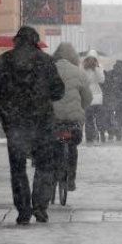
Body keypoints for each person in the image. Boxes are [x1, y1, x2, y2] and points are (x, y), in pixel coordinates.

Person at [0, 26, 64, 224]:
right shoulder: (46, 61)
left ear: (16, 40)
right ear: (35, 41)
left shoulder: (2, 61)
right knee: (45, 165)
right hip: (42, 121)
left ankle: (23, 210)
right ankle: (40, 207)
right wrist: (42, 97)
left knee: (18, 168)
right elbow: (58, 91)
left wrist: (6, 108)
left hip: (14, 123)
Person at [52, 43, 92, 192]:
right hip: (72, 120)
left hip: (53, 118)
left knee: (51, 145)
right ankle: (71, 180)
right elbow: (87, 97)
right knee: (72, 146)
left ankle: (51, 175)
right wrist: (81, 109)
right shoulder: (79, 73)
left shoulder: (47, 70)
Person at [81, 50, 106, 143]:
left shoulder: (99, 68)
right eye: (89, 59)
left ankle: (100, 133)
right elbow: (82, 80)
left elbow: (102, 80)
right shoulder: (83, 68)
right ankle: (89, 136)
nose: (91, 61)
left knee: (99, 118)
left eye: (93, 59)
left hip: (97, 97)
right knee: (88, 118)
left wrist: (96, 69)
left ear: (95, 60)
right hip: (87, 96)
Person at [103, 60, 122, 141]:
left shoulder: (109, 74)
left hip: (110, 99)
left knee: (109, 116)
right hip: (120, 100)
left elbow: (105, 86)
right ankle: (118, 134)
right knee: (119, 118)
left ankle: (111, 133)